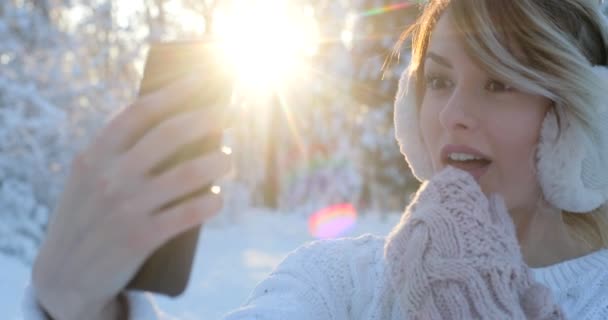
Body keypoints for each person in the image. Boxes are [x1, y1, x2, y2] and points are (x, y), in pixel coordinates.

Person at [22, 0, 608, 319]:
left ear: (579, 121)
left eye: (499, 84)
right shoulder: (339, 280)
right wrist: (81, 310)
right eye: (438, 80)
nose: (452, 112)